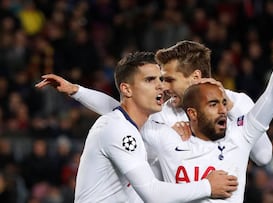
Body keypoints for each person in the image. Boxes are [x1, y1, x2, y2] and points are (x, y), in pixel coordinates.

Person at [36, 0, 273, 201]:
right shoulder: (165, 129)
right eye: (157, 80)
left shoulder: (239, 121)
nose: (163, 87)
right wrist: (77, 91)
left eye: (168, 79)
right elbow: (121, 112)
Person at [62, 52, 238, 202]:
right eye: (150, 80)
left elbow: (112, 106)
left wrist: (76, 90)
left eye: (160, 79)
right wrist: (208, 186)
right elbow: (152, 194)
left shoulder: (135, 126)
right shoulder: (116, 129)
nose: (160, 86)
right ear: (127, 90)